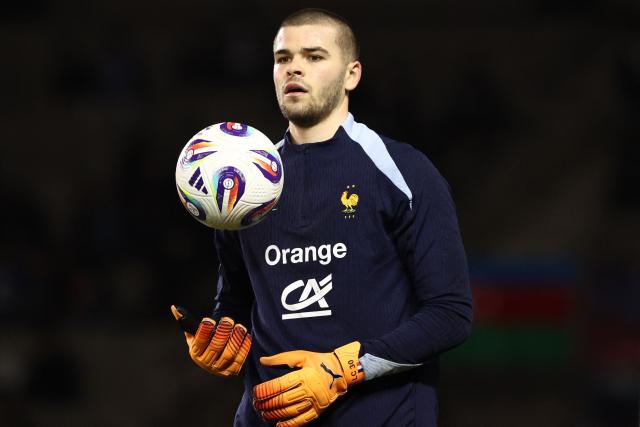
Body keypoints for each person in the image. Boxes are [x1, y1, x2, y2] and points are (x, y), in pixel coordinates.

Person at [172, 8, 473, 427]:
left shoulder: (403, 171)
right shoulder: (242, 185)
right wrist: (223, 339)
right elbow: (237, 303)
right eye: (283, 58)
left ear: (352, 75)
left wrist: (343, 369)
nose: (294, 66)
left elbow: (450, 315)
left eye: (314, 56)